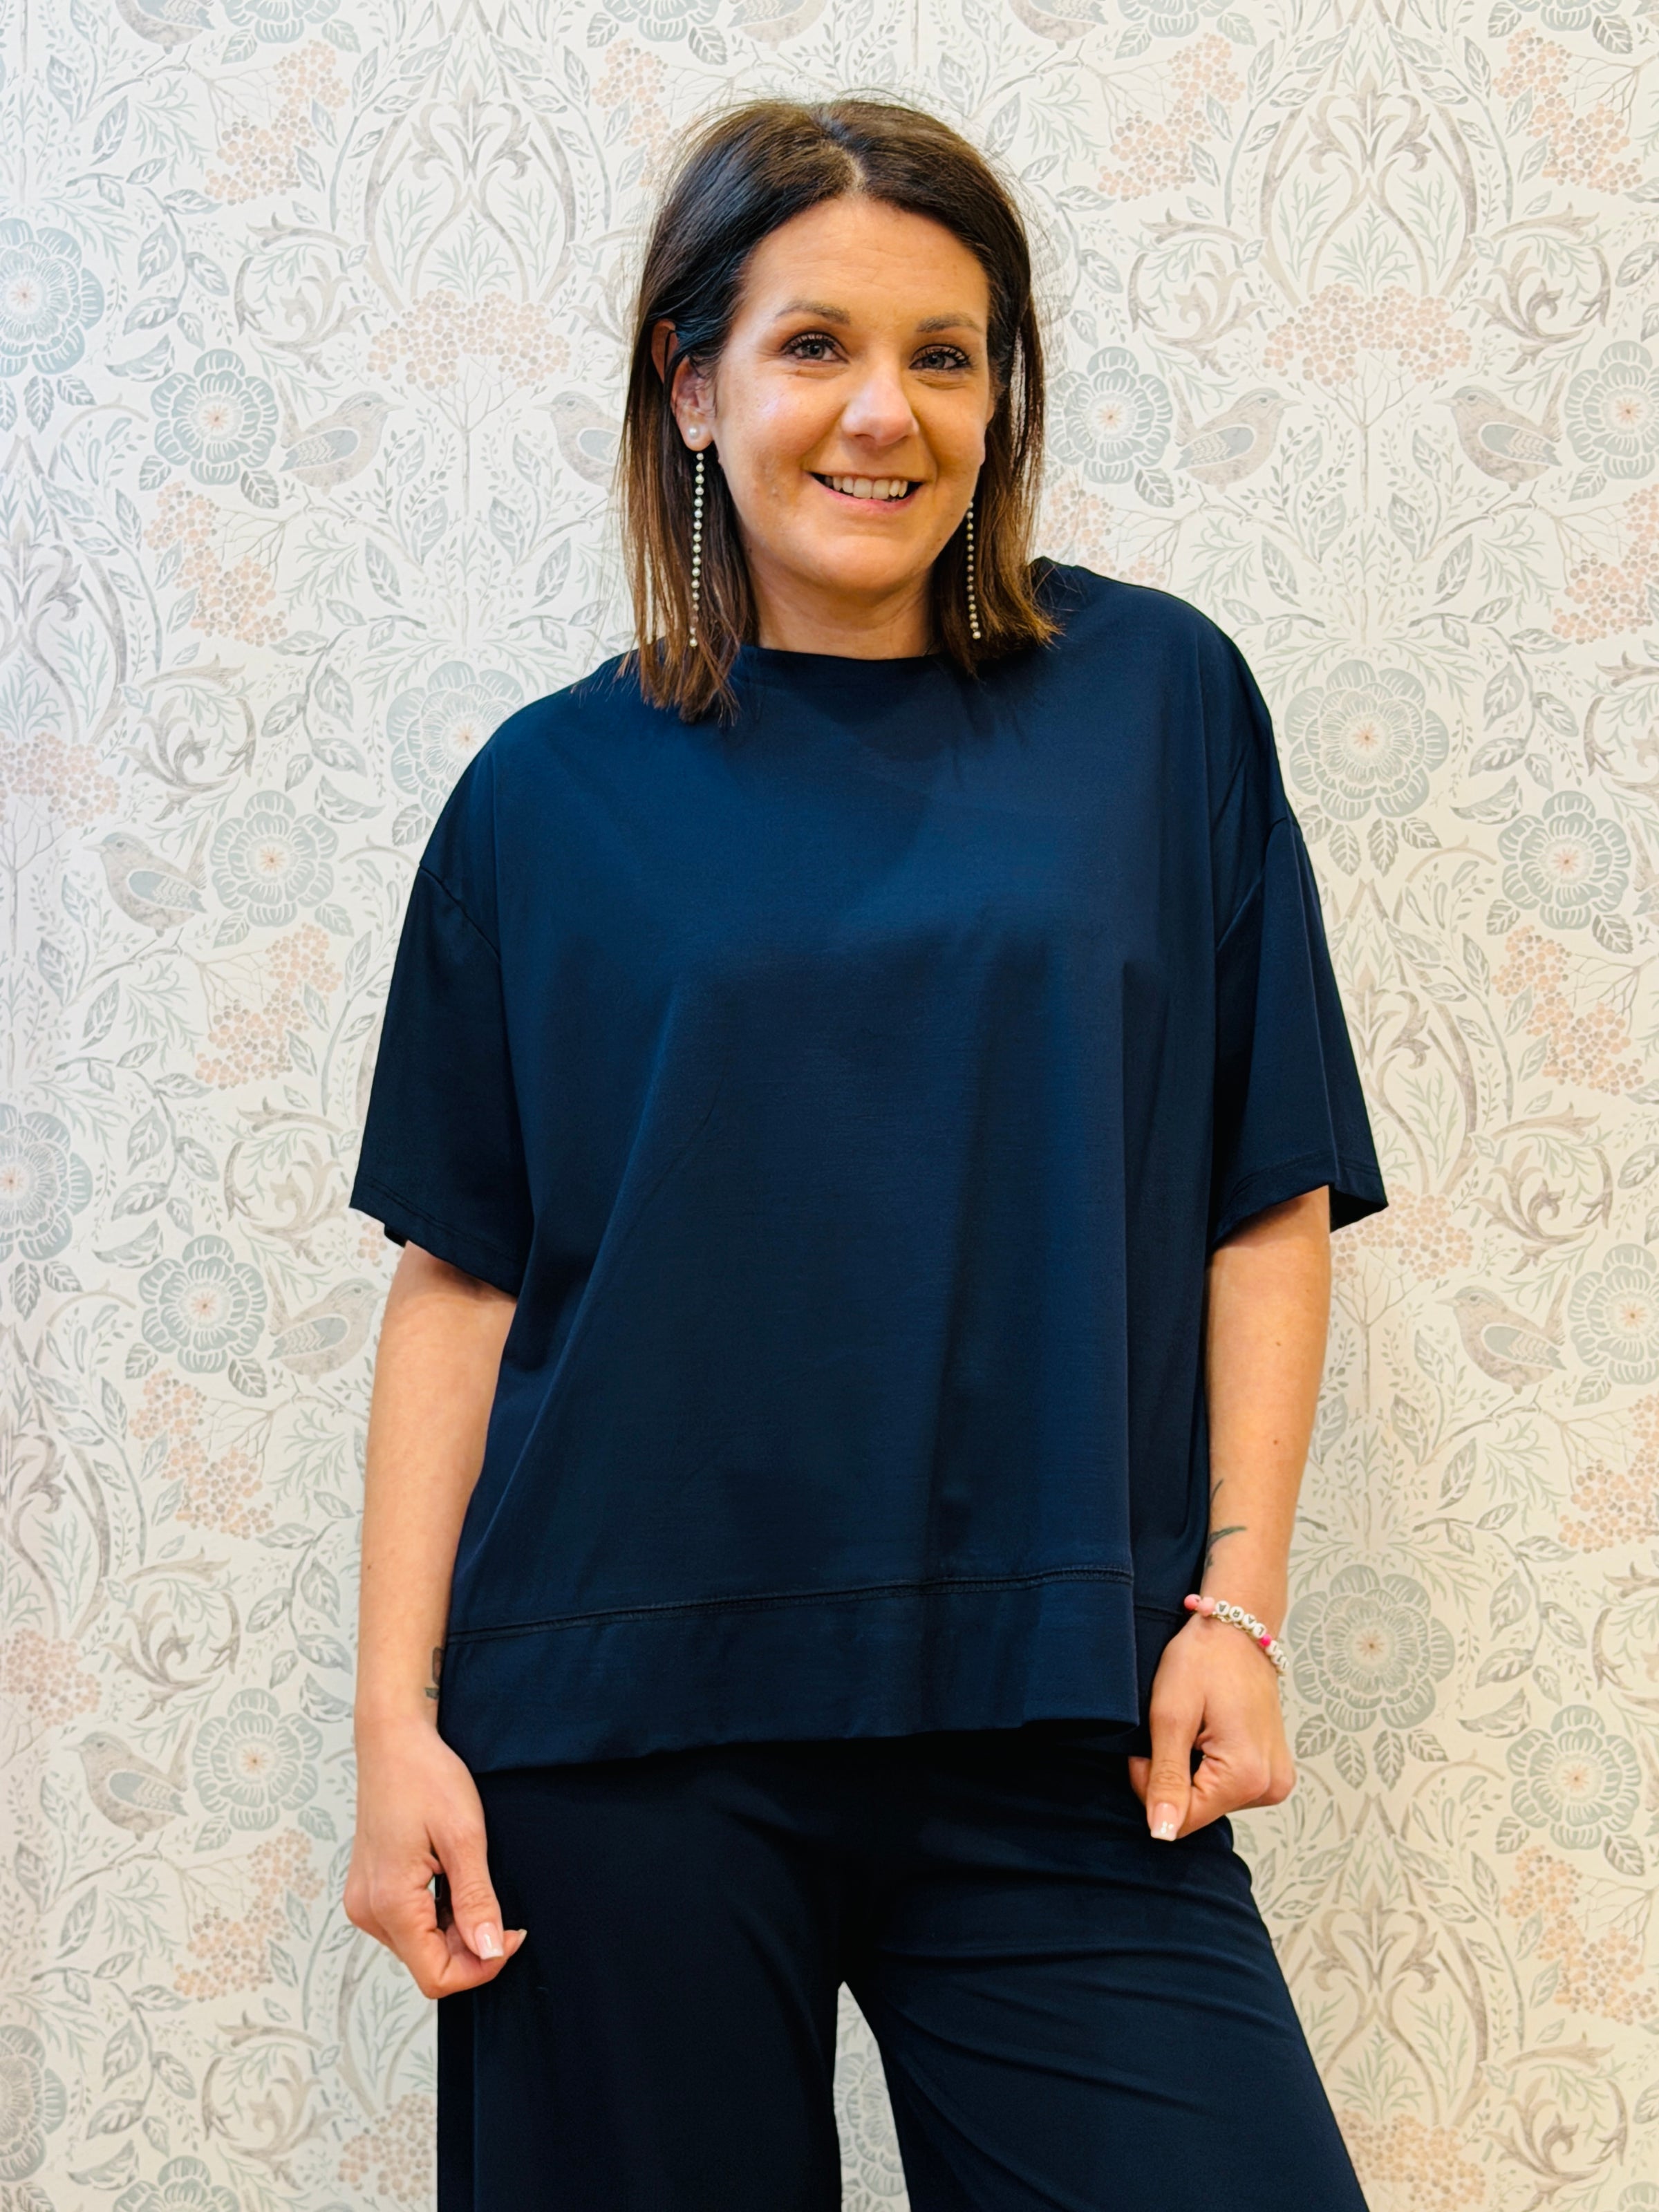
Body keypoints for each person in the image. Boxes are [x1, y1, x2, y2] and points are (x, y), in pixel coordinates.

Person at [344, 94, 1387, 2212]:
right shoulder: (544, 797)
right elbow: (464, 1278)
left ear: (1003, 395)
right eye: (815, 344)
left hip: (1060, 1718)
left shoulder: (1158, 706)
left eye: (946, 354)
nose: (884, 412)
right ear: (692, 380)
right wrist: (393, 1731)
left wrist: (1239, 1612)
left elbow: (1261, 1197)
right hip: (617, 1724)